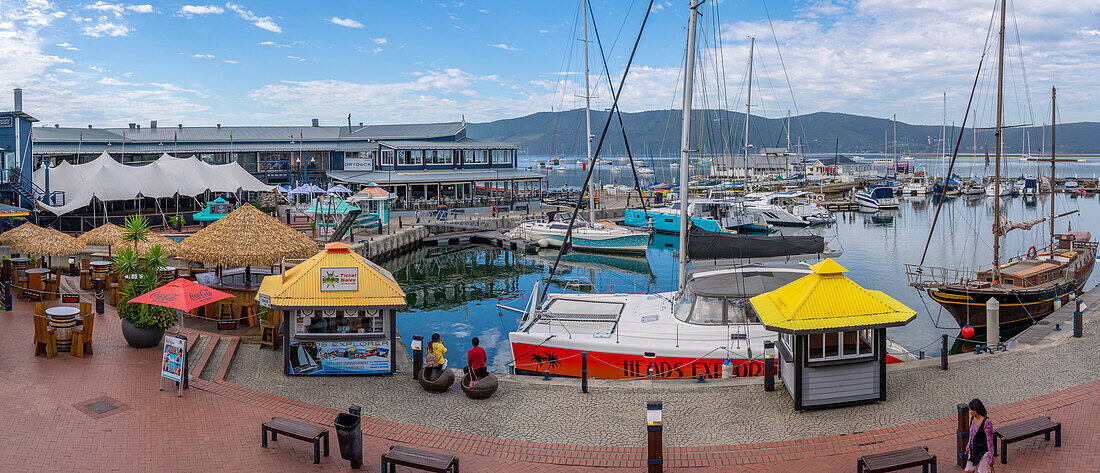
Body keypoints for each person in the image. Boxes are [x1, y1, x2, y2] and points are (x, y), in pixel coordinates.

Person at [965, 398, 995, 473]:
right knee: (968, 471)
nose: (969, 412)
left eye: (970, 410)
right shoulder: (972, 419)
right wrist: (968, 445)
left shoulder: (987, 422)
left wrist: (990, 457)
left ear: (976, 411)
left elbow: (990, 441)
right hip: (974, 451)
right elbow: (972, 435)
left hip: (983, 453)